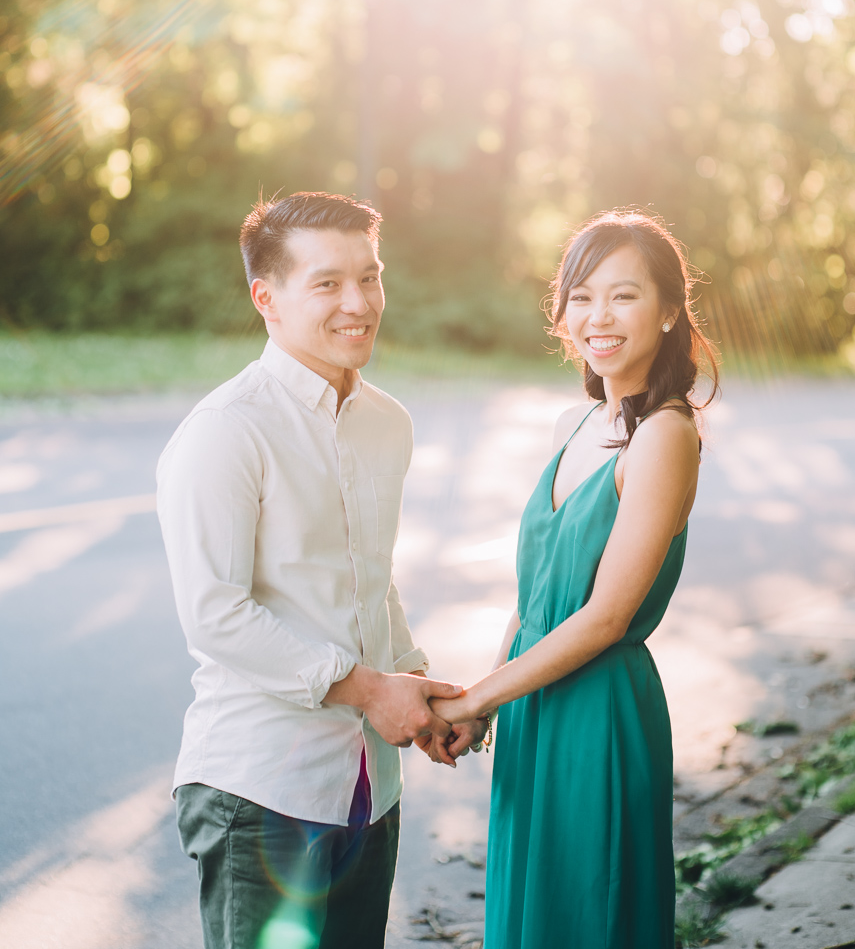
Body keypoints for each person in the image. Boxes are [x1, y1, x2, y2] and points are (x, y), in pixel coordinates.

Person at [156, 191, 464, 949]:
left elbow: (370, 580)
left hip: (368, 788)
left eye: (370, 276)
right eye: (326, 283)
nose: (358, 303)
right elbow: (215, 614)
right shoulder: (226, 432)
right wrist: (369, 691)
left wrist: (417, 689)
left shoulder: (387, 423)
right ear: (267, 298)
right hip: (259, 791)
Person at [430, 210, 719, 948]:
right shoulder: (572, 423)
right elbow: (534, 603)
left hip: (598, 715)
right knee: (531, 917)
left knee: (587, 916)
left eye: (623, 295)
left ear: (666, 313)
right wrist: (489, 704)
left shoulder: (665, 436)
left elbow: (603, 618)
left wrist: (472, 697)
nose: (599, 316)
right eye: (581, 295)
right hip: (530, 707)